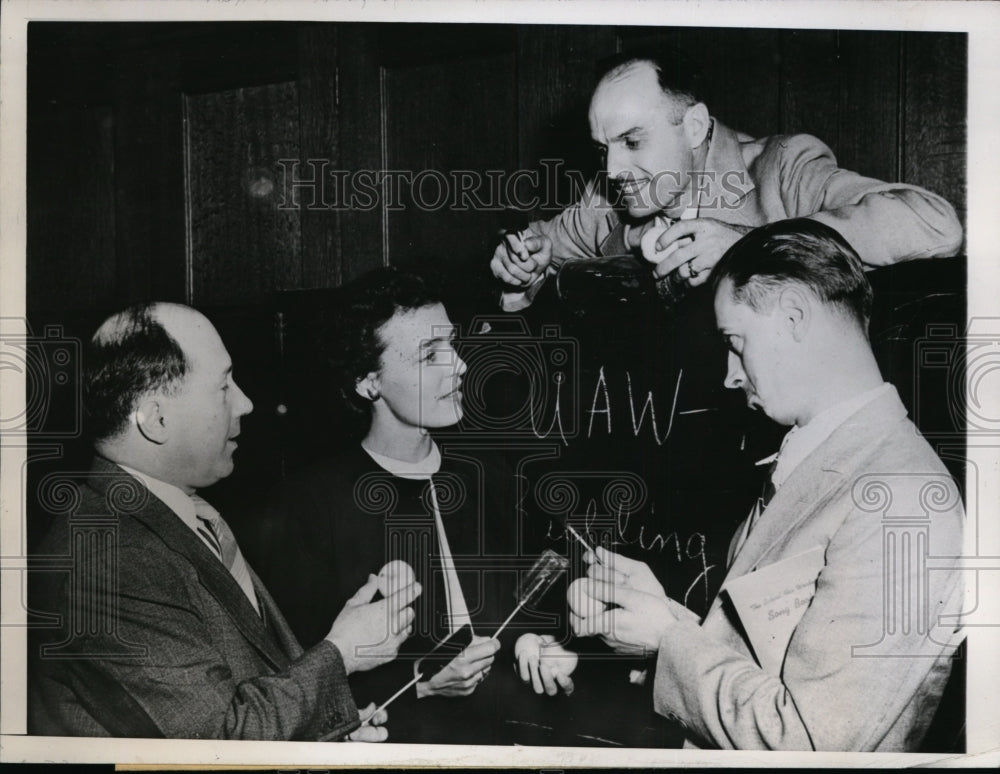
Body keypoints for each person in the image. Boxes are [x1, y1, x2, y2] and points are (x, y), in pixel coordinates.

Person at [566, 219, 965, 750]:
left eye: (737, 342)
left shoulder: (902, 500)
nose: (731, 374)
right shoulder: (823, 458)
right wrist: (662, 616)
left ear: (794, 316)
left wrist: (668, 639)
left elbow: (809, 742)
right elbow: (765, 659)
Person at [28, 302, 420, 741]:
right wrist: (341, 651)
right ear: (156, 419)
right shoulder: (107, 563)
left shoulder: (183, 518)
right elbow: (221, 743)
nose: (246, 403)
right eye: (223, 386)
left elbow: (241, 685)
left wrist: (330, 733)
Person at [254, 268, 531, 745]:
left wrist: (535, 644)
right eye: (430, 355)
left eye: (452, 345)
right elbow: (301, 676)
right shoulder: (309, 505)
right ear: (368, 383)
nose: (459, 366)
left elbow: (520, 610)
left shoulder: (492, 477)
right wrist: (422, 689)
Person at [490, 50, 963, 312]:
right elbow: (540, 250)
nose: (612, 170)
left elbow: (935, 224)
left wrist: (751, 245)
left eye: (632, 142)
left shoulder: (783, 167)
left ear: (694, 126)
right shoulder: (609, 199)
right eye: (603, 148)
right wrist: (524, 266)